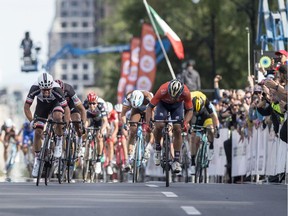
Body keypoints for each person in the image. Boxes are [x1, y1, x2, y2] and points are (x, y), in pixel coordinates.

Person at [23, 72, 70, 177]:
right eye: (44, 90)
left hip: (55, 104)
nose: (47, 91)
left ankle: (58, 141)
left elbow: (66, 108)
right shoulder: (34, 88)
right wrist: (32, 121)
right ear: (39, 87)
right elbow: (26, 107)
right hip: (42, 106)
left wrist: (66, 122)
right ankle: (37, 160)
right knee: (38, 132)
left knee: (58, 116)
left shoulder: (57, 89)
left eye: (48, 89)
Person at [146, 79, 193, 173]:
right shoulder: (162, 90)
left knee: (178, 129)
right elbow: (150, 107)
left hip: (177, 106)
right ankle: (158, 147)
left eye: (175, 96)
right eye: (171, 95)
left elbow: (190, 110)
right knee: (159, 125)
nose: (173, 98)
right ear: (168, 90)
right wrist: (149, 122)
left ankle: (176, 160)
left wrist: (185, 122)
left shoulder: (186, 92)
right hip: (162, 105)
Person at [120, 90, 153, 172]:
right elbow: (123, 113)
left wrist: (151, 122)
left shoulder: (148, 97)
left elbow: (154, 111)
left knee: (150, 128)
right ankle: (129, 158)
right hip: (136, 110)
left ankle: (148, 147)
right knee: (132, 131)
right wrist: (124, 124)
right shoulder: (128, 98)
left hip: (147, 109)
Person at [189, 91, 220, 174]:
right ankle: (192, 162)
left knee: (210, 128)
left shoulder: (205, 100)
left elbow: (214, 116)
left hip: (206, 115)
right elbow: (185, 116)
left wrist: (216, 129)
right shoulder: (187, 100)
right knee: (193, 137)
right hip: (193, 115)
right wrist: (187, 127)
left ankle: (211, 145)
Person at [54, 79, 87, 157]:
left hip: (70, 105)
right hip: (59, 106)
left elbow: (82, 109)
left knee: (76, 119)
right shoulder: (52, 92)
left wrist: (82, 124)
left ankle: (79, 140)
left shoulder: (69, 89)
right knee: (56, 118)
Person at [84, 92, 109, 174]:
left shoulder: (101, 106)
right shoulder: (85, 104)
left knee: (99, 137)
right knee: (84, 129)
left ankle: (98, 159)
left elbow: (105, 121)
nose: (92, 106)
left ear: (97, 102)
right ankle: (83, 147)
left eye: (94, 104)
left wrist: (101, 131)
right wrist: (84, 128)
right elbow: (85, 120)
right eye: (90, 104)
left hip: (99, 121)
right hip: (90, 119)